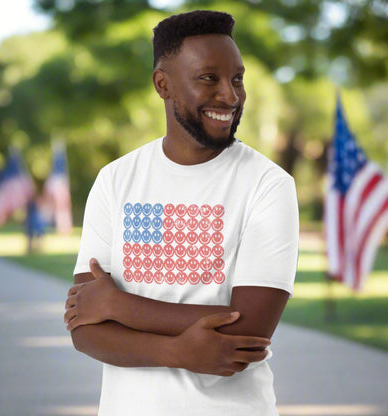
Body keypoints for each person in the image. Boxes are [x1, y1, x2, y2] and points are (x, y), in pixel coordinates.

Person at [64, 10, 298, 416]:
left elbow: (248, 331)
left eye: (237, 79)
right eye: (209, 78)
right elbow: (85, 328)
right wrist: (176, 350)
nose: (231, 95)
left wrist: (118, 306)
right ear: (163, 84)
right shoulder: (115, 180)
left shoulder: (268, 184)